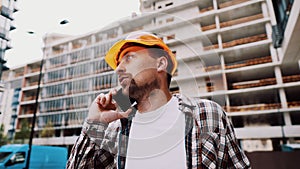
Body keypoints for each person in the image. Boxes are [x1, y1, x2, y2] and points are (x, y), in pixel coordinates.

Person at [67, 31, 251, 169]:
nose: (118, 69)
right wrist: (94, 123)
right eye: (118, 63)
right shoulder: (115, 128)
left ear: (161, 63)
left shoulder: (207, 115)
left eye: (129, 58)